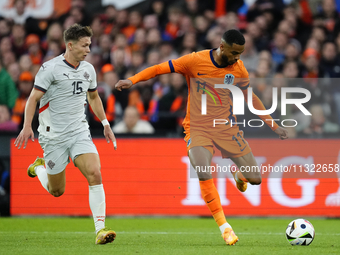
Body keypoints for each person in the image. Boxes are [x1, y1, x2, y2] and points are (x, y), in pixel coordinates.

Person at [115, 29, 288, 246]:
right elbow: (160, 68)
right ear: (222, 47)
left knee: (255, 178)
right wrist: (132, 80)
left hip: (226, 128)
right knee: (203, 168)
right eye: (235, 53)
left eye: (241, 53)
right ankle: (225, 228)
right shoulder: (195, 61)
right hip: (198, 128)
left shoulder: (239, 69)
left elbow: (250, 98)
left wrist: (274, 125)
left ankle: (238, 176)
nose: (238, 58)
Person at [14, 24, 117, 245]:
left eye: (89, 44)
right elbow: (32, 98)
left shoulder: (89, 69)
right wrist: (26, 126)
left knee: (95, 173)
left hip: (79, 132)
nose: (89, 49)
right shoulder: (50, 69)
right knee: (57, 191)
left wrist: (105, 123)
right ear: (70, 45)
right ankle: (39, 167)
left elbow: (94, 98)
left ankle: (101, 229)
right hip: (53, 137)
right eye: (84, 45)